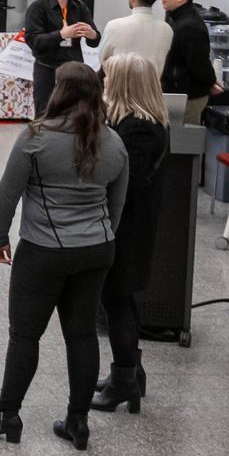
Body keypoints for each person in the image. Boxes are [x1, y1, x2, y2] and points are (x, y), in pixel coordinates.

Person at [0, 63, 130, 450]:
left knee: (25, 335)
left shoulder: (36, 137)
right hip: (96, 250)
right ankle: (78, 421)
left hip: (43, 251)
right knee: (82, 334)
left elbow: (8, 192)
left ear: (59, 92)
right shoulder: (113, 142)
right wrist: (97, 238)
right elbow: (116, 206)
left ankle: (6, 416)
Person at [93, 54, 170, 414]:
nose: (103, 83)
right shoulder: (142, 122)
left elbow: (129, 183)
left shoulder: (138, 129)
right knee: (120, 300)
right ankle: (130, 372)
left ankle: (124, 379)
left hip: (128, 226)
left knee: (116, 299)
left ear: (124, 84)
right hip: (132, 223)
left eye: (109, 79)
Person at [23, 0, 97, 116]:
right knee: (45, 115)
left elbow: (95, 41)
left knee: (76, 115)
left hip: (74, 71)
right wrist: (62, 34)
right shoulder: (38, 8)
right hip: (47, 69)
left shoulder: (79, 7)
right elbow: (34, 41)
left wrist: (93, 35)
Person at [160, 0, 223, 125]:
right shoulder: (176, 18)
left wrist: (211, 81)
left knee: (182, 143)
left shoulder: (189, 26)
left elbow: (199, 62)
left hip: (188, 97)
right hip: (178, 93)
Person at [97, 0, 173, 76]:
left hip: (119, 88)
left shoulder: (114, 26)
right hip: (151, 88)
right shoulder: (167, 30)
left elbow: (103, 59)